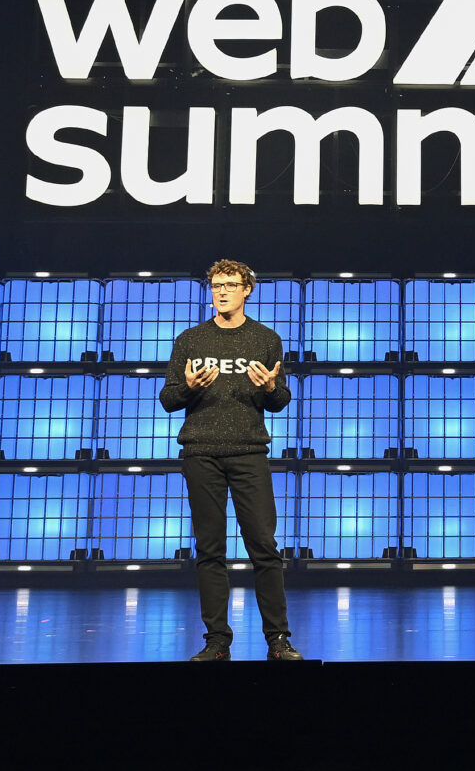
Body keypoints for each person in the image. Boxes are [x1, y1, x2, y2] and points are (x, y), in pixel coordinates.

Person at [161, 259, 299, 661]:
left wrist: (270, 387)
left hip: (249, 452)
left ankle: (278, 639)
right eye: (216, 285)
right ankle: (217, 641)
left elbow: (280, 400)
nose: (221, 291)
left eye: (230, 285)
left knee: (264, 547)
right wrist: (187, 387)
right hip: (201, 453)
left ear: (247, 290)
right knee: (210, 549)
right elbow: (168, 398)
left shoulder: (265, 339)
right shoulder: (190, 340)